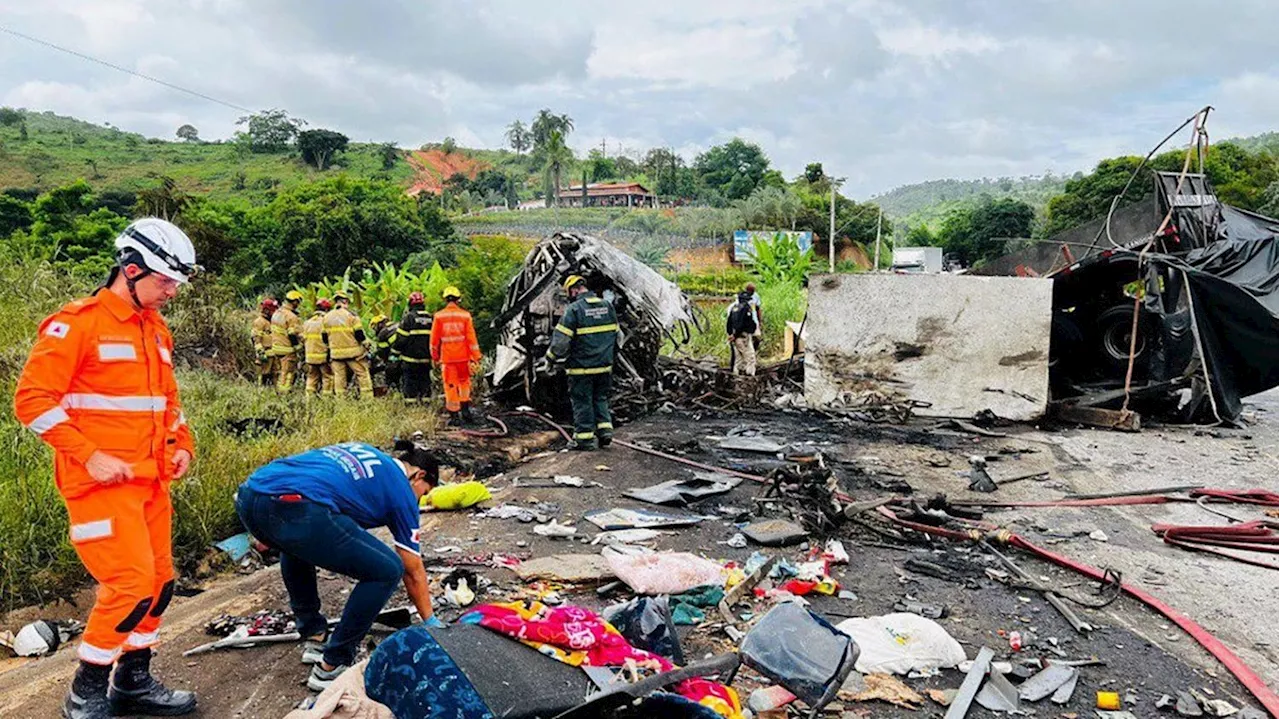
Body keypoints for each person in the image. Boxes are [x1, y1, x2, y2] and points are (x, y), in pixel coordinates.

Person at [14, 218, 200, 719]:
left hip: (150, 481)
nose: (172, 292)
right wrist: (90, 453)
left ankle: (134, 681)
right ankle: (86, 690)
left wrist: (182, 443)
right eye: (164, 281)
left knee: (160, 583)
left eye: (176, 283)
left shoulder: (155, 330)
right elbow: (32, 400)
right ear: (131, 270)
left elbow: (166, 402)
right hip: (98, 485)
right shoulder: (77, 324)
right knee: (131, 585)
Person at [234, 441, 439, 691]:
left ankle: (314, 635)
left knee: (296, 544)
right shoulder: (402, 491)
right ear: (418, 475)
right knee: (387, 570)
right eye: (424, 492)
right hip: (296, 507)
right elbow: (412, 568)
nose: (419, 500)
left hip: (251, 495)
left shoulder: (365, 451)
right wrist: (430, 621)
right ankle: (333, 664)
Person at [545, 275, 618, 450]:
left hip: (582, 368)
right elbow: (617, 335)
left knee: (582, 401)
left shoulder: (574, 310)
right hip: (604, 366)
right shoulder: (607, 306)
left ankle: (584, 439)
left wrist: (550, 358)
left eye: (569, 292)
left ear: (574, 290)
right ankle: (605, 432)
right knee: (600, 398)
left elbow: (561, 342)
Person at [429, 286, 481, 425]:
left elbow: (434, 340)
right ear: (458, 299)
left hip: (448, 358)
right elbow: (471, 338)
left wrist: (434, 356)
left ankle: (454, 417)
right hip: (463, 357)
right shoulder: (465, 315)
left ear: (445, 299)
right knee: (464, 383)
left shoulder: (439, 316)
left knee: (450, 385)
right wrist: (476, 357)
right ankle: (465, 411)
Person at [324, 291, 374, 399]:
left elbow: (324, 337)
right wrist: (366, 344)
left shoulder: (327, 317)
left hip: (336, 353)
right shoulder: (351, 316)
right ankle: (367, 400)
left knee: (339, 377)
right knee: (362, 374)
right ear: (345, 301)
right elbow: (359, 334)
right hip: (353, 353)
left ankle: (341, 401)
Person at [390, 291, 433, 405]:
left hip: (410, 359)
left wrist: (394, 354)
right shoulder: (430, 317)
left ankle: (411, 405)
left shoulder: (409, 318)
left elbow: (401, 339)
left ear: (410, 303)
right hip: (426, 359)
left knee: (410, 383)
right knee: (425, 381)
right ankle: (426, 404)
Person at [271, 290, 304, 393]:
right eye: (298, 302)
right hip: (287, 349)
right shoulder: (291, 316)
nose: (298, 304)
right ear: (294, 301)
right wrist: (297, 346)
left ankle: (277, 390)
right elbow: (291, 333)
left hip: (276, 347)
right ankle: (284, 394)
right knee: (288, 373)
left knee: (279, 372)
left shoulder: (277, 312)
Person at [302, 298, 333, 397]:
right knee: (327, 377)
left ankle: (309, 398)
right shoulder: (326, 322)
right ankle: (327, 399)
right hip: (323, 356)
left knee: (311, 377)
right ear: (327, 310)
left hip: (310, 356)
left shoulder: (307, 322)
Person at [726, 289, 758, 377]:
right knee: (750, 358)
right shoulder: (746, 309)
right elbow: (743, 324)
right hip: (743, 336)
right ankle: (749, 376)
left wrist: (731, 335)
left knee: (738, 358)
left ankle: (736, 376)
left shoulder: (734, 308)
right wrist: (736, 335)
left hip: (735, 337)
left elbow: (729, 323)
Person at [370, 314, 400, 392]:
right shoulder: (398, 324)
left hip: (397, 357)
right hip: (412, 354)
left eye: (374, 327)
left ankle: (392, 389)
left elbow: (382, 353)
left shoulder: (383, 333)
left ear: (379, 324)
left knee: (390, 370)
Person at [252, 298, 279, 387]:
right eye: (272, 311)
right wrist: (261, 354)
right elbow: (256, 339)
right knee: (263, 375)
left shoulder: (271, 322)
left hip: (273, 354)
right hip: (265, 354)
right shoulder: (259, 322)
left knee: (275, 374)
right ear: (266, 310)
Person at [744, 282, 763, 350]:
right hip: (745, 321)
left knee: (757, 338)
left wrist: (760, 321)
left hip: (754, 320)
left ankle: (754, 351)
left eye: (752, 291)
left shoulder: (756, 296)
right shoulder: (742, 296)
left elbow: (758, 309)